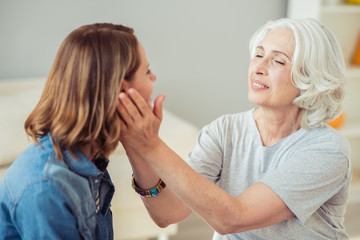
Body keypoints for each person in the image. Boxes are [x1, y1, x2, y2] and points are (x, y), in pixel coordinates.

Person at [117, 18, 352, 239]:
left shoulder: (328, 150)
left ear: (311, 78)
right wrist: (135, 144)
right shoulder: (224, 130)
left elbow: (233, 218)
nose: (258, 67)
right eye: (258, 55)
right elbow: (168, 213)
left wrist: (152, 145)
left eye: (278, 61)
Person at [0, 23, 157, 239]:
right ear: (120, 90)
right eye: (147, 71)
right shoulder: (46, 188)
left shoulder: (89, 157)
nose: (154, 78)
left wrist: (144, 142)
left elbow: (167, 214)